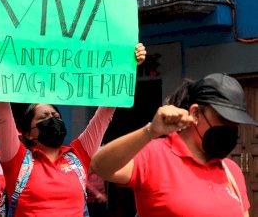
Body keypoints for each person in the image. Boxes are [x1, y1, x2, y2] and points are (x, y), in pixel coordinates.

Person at [0, 40, 146, 216]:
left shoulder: (78, 155)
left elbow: (104, 115)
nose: (52, 120)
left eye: (56, 116)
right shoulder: (16, 159)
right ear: (28, 133)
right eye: (43, 117)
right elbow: (3, 116)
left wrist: (129, 66)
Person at [90, 73, 256, 217]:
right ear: (196, 113)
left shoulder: (231, 171)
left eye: (235, 123)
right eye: (224, 119)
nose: (231, 128)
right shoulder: (156, 154)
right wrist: (150, 131)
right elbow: (100, 166)